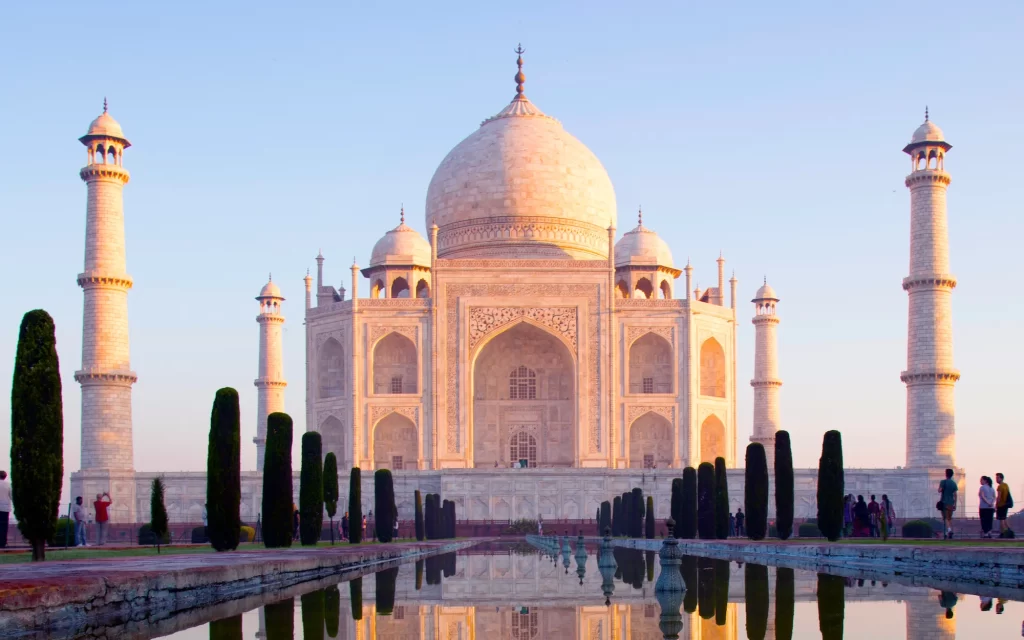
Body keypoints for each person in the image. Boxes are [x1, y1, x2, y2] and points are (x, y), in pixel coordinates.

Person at [938, 468, 958, 539]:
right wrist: (955, 504)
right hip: (951, 503)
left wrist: (942, 488)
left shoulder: (943, 482)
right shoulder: (954, 483)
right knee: (949, 518)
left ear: (946, 474)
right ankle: (947, 532)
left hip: (944, 502)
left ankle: (949, 530)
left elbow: (939, 490)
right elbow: (955, 495)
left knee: (945, 518)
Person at [996, 473, 1013, 537]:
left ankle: (1003, 533)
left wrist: (996, 505)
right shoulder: (1006, 485)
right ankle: (1009, 530)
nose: (996, 479)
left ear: (1001, 478)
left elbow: (999, 497)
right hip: (1006, 504)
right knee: (1004, 518)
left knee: (1001, 519)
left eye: (997, 478)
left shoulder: (1000, 486)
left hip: (1001, 505)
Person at [0, 470, 11, 548]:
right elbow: (11, 496)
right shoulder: (8, 485)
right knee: (4, 526)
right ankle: (3, 542)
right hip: (5, 508)